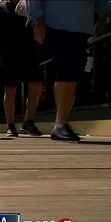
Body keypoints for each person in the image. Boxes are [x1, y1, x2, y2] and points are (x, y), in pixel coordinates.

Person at [27, 1, 111, 141]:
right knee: (66, 68)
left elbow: (100, 2)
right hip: (57, 25)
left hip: (82, 28)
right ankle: (60, 123)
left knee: (75, 73)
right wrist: (38, 20)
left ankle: (62, 121)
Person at [0, 0, 44, 137]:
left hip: (29, 51)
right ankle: (10, 125)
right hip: (8, 54)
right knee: (10, 88)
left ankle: (28, 122)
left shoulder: (29, 6)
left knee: (36, 84)